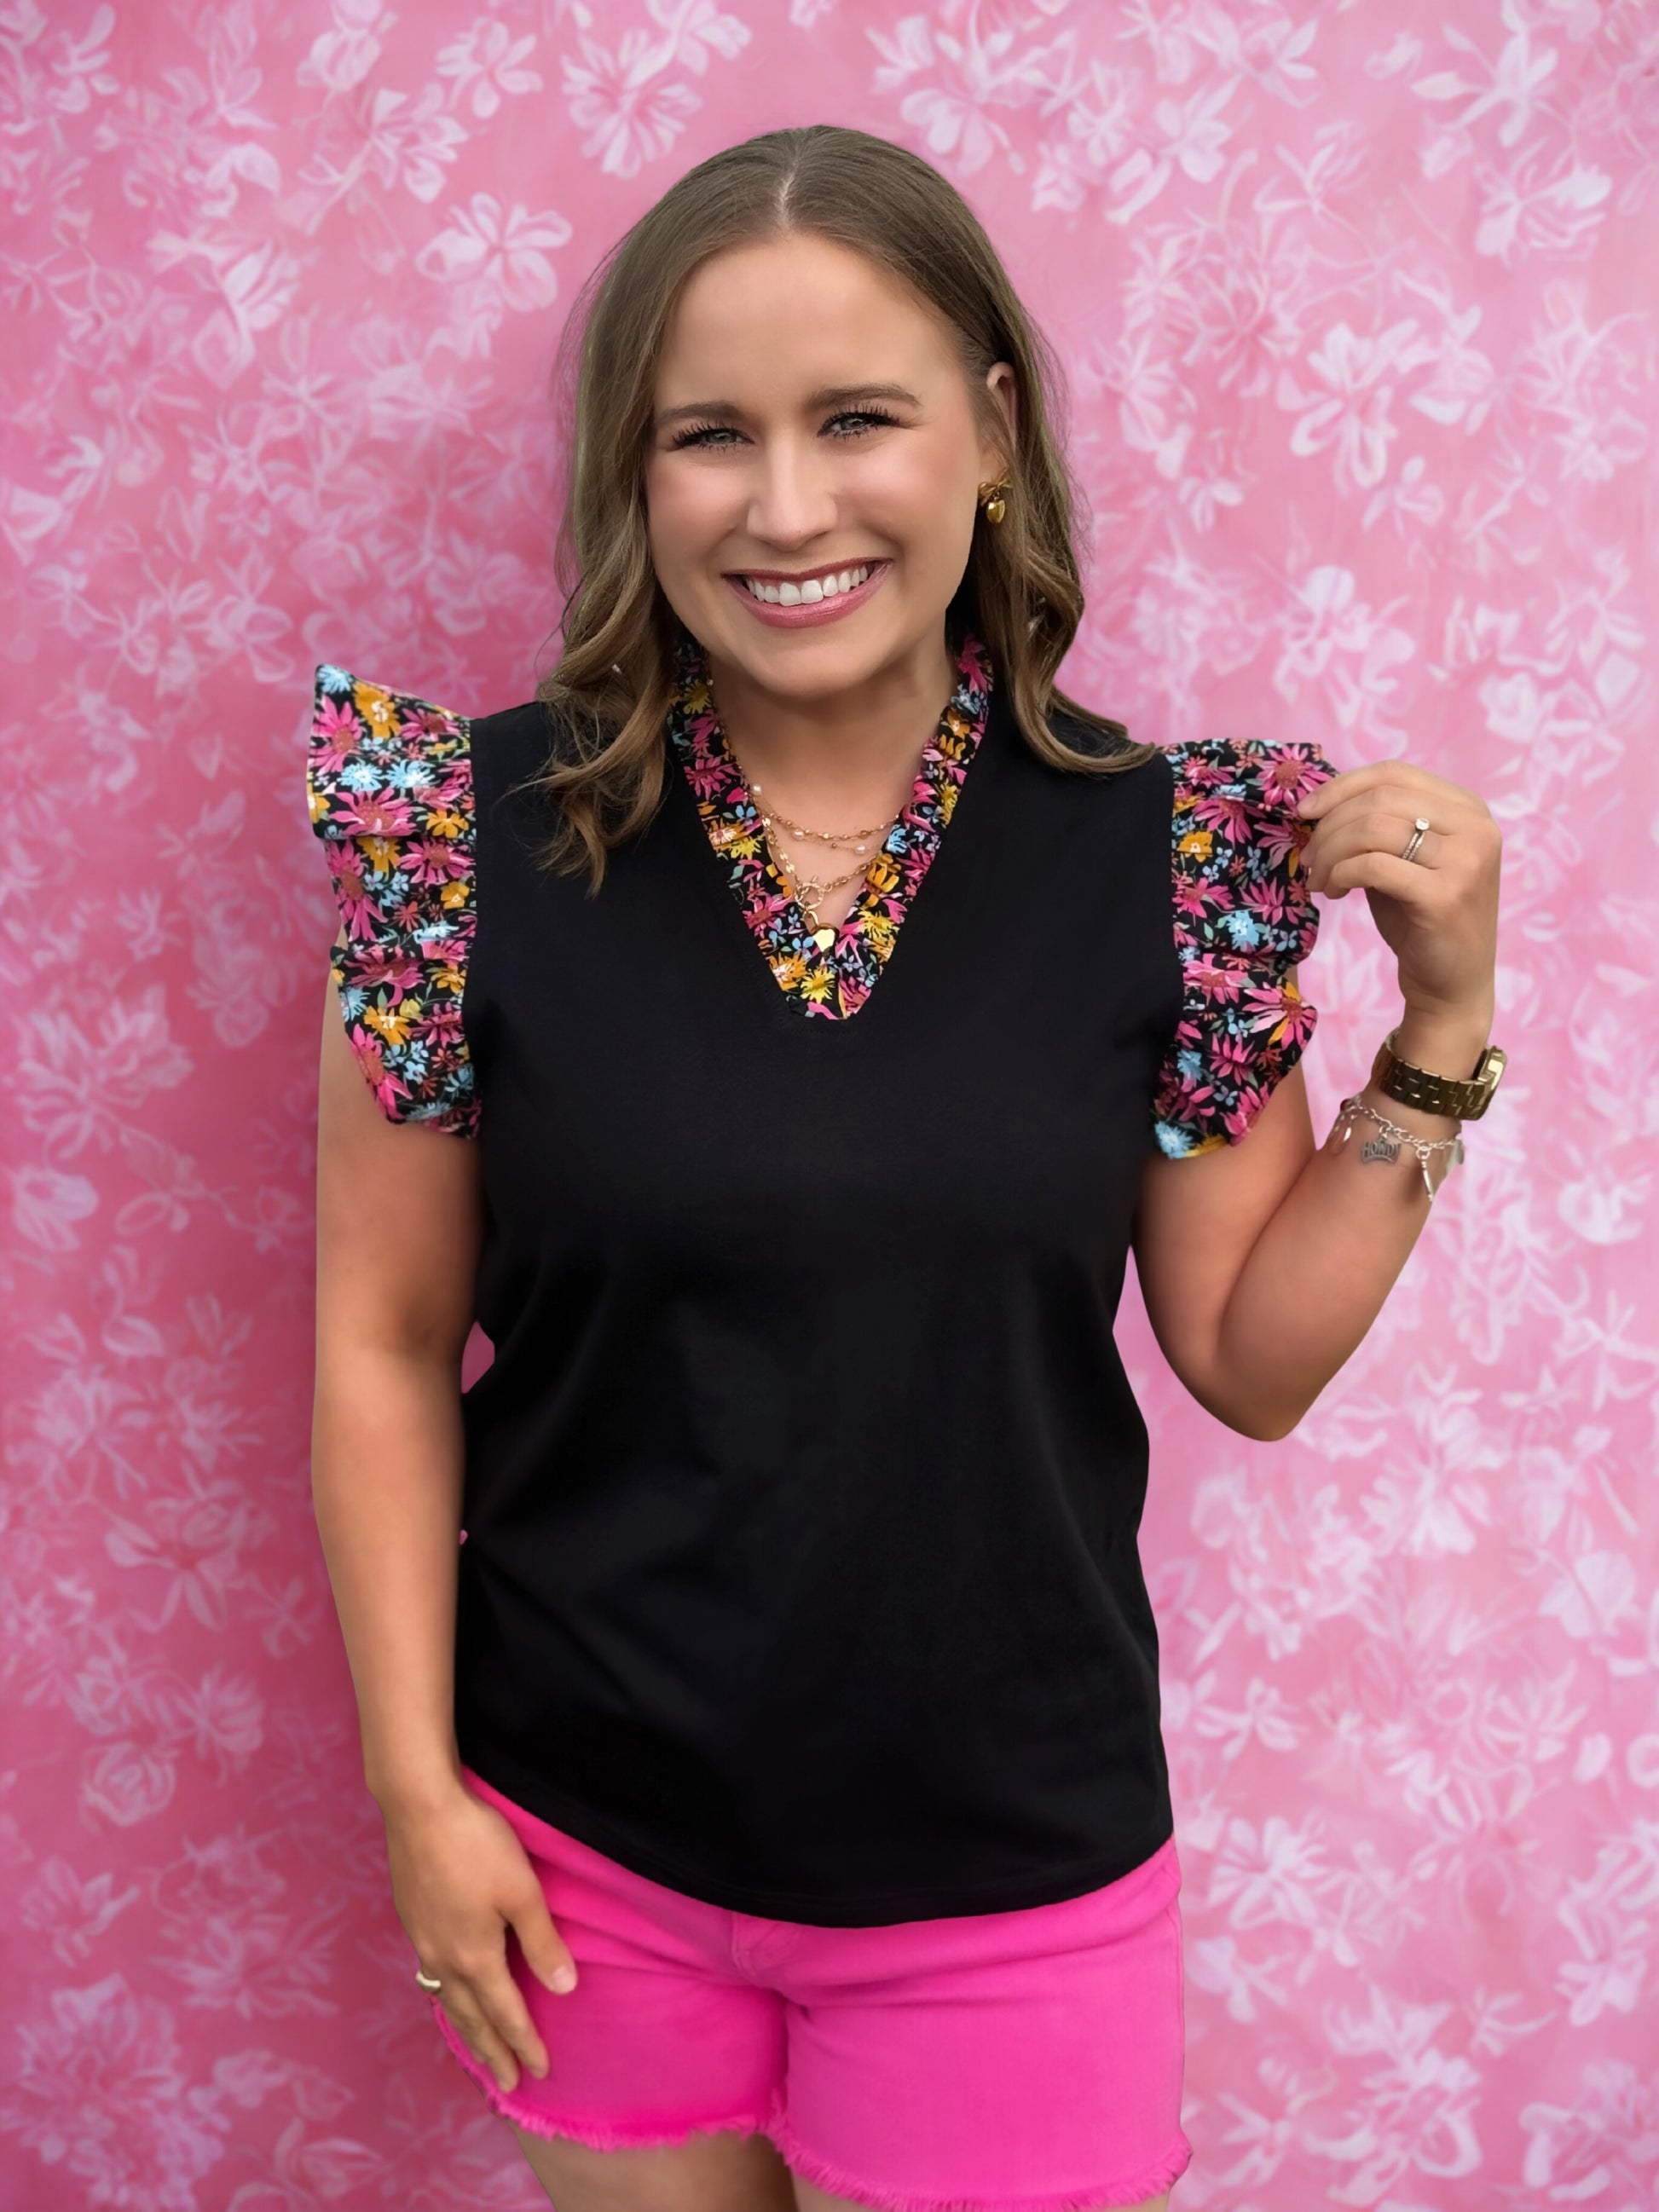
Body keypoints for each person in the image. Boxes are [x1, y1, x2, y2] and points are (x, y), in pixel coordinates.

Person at [305, 124, 1505, 2212]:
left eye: (855, 416)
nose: (784, 507)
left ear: (990, 437)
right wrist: (420, 1788)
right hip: (587, 1845)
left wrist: (1435, 1035)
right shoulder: (453, 845)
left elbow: (1248, 1355)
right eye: (708, 435)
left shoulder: (1168, 855)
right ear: (633, 470)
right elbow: (385, 1341)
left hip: (1007, 1864)